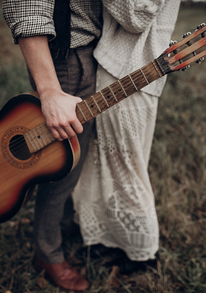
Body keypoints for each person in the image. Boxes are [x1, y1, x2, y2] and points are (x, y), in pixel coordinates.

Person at [3, 0, 180, 291]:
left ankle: (61, 225)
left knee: (80, 156)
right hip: (65, 56)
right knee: (61, 165)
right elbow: (26, 5)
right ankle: (47, 252)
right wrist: (49, 91)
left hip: (94, 51)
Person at [72, 0, 180, 272]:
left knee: (125, 166)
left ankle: (142, 252)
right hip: (121, 67)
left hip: (133, 69)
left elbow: (137, 15)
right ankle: (107, 238)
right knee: (100, 160)